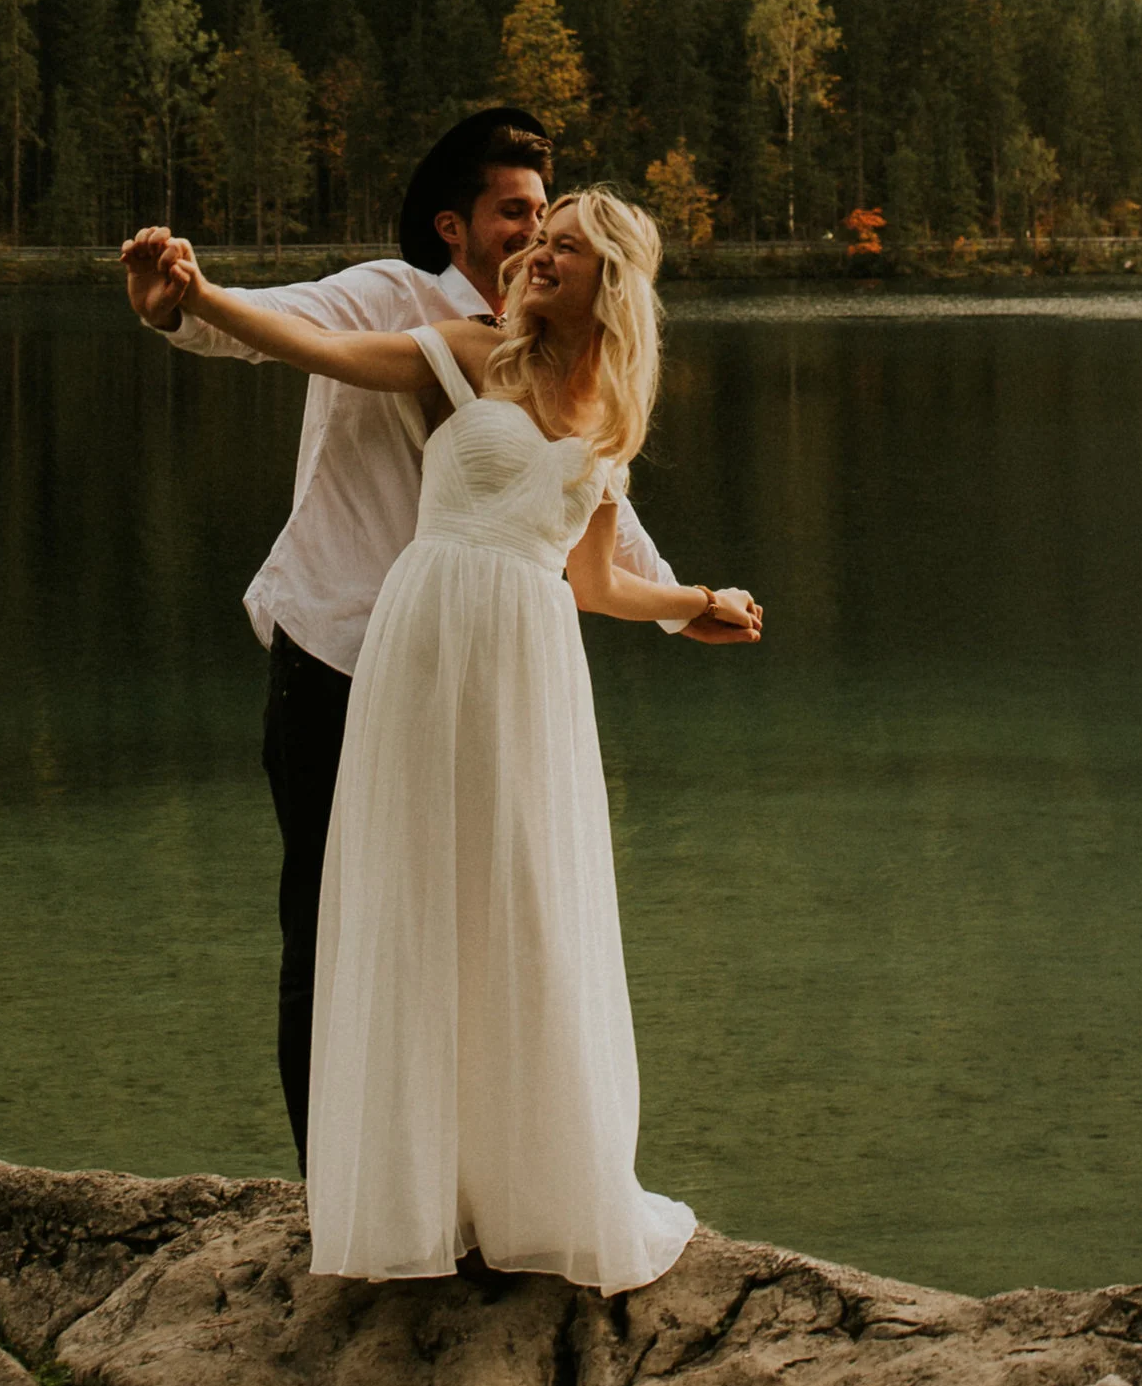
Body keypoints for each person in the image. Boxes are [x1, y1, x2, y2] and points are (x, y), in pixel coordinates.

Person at [147, 188, 760, 1290]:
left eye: (563, 247)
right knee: (416, 896)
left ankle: (521, 1191)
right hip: (423, 643)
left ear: (608, 281)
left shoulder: (611, 417)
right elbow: (317, 345)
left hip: (528, 667)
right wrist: (203, 297)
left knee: (520, 896)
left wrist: (693, 601)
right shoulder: (472, 354)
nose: (536, 255)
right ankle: (408, 1199)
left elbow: (592, 580)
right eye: (535, 237)